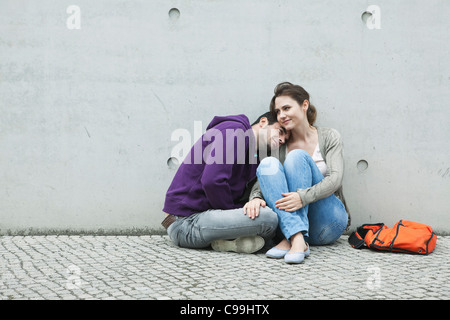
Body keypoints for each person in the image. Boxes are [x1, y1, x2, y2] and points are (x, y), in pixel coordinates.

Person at [245, 82, 350, 263]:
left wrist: (303, 197)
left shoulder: (329, 136)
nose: (281, 115)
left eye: (286, 108)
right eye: (278, 111)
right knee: (267, 164)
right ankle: (297, 238)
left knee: (297, 157)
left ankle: (292, 236)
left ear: (304, 105)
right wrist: (255, 197)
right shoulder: (281, 145)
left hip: (328, 222)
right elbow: (263, 180)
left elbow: (335, 179)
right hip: (291, 226)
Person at [162, 112, 288, 253]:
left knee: (268, 219)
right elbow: (212, 181)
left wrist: (254, 202)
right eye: (281, 131)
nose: (282, 140)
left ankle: (225, 243)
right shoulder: (236, 130)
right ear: (263, 122)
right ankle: (231, 239)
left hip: (203, 219)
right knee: (268, 219)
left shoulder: (254, 157)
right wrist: (237, 214)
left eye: (286, 139)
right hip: (184, 222)